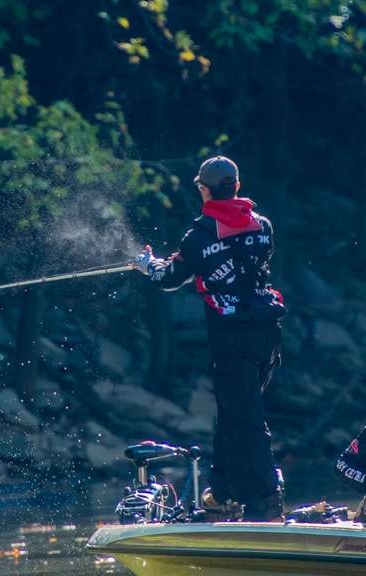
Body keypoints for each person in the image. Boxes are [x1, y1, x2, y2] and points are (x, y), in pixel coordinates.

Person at [132, 156, 286, 521]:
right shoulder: (262, 225)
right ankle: (224, 491)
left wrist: (147, 264)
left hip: (231, 337)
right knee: (234, 411)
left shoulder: (198, 236)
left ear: (204, 189)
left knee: (245, 417)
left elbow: (169, 278)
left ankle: (265, 502)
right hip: (267, 333)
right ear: (237, 185)